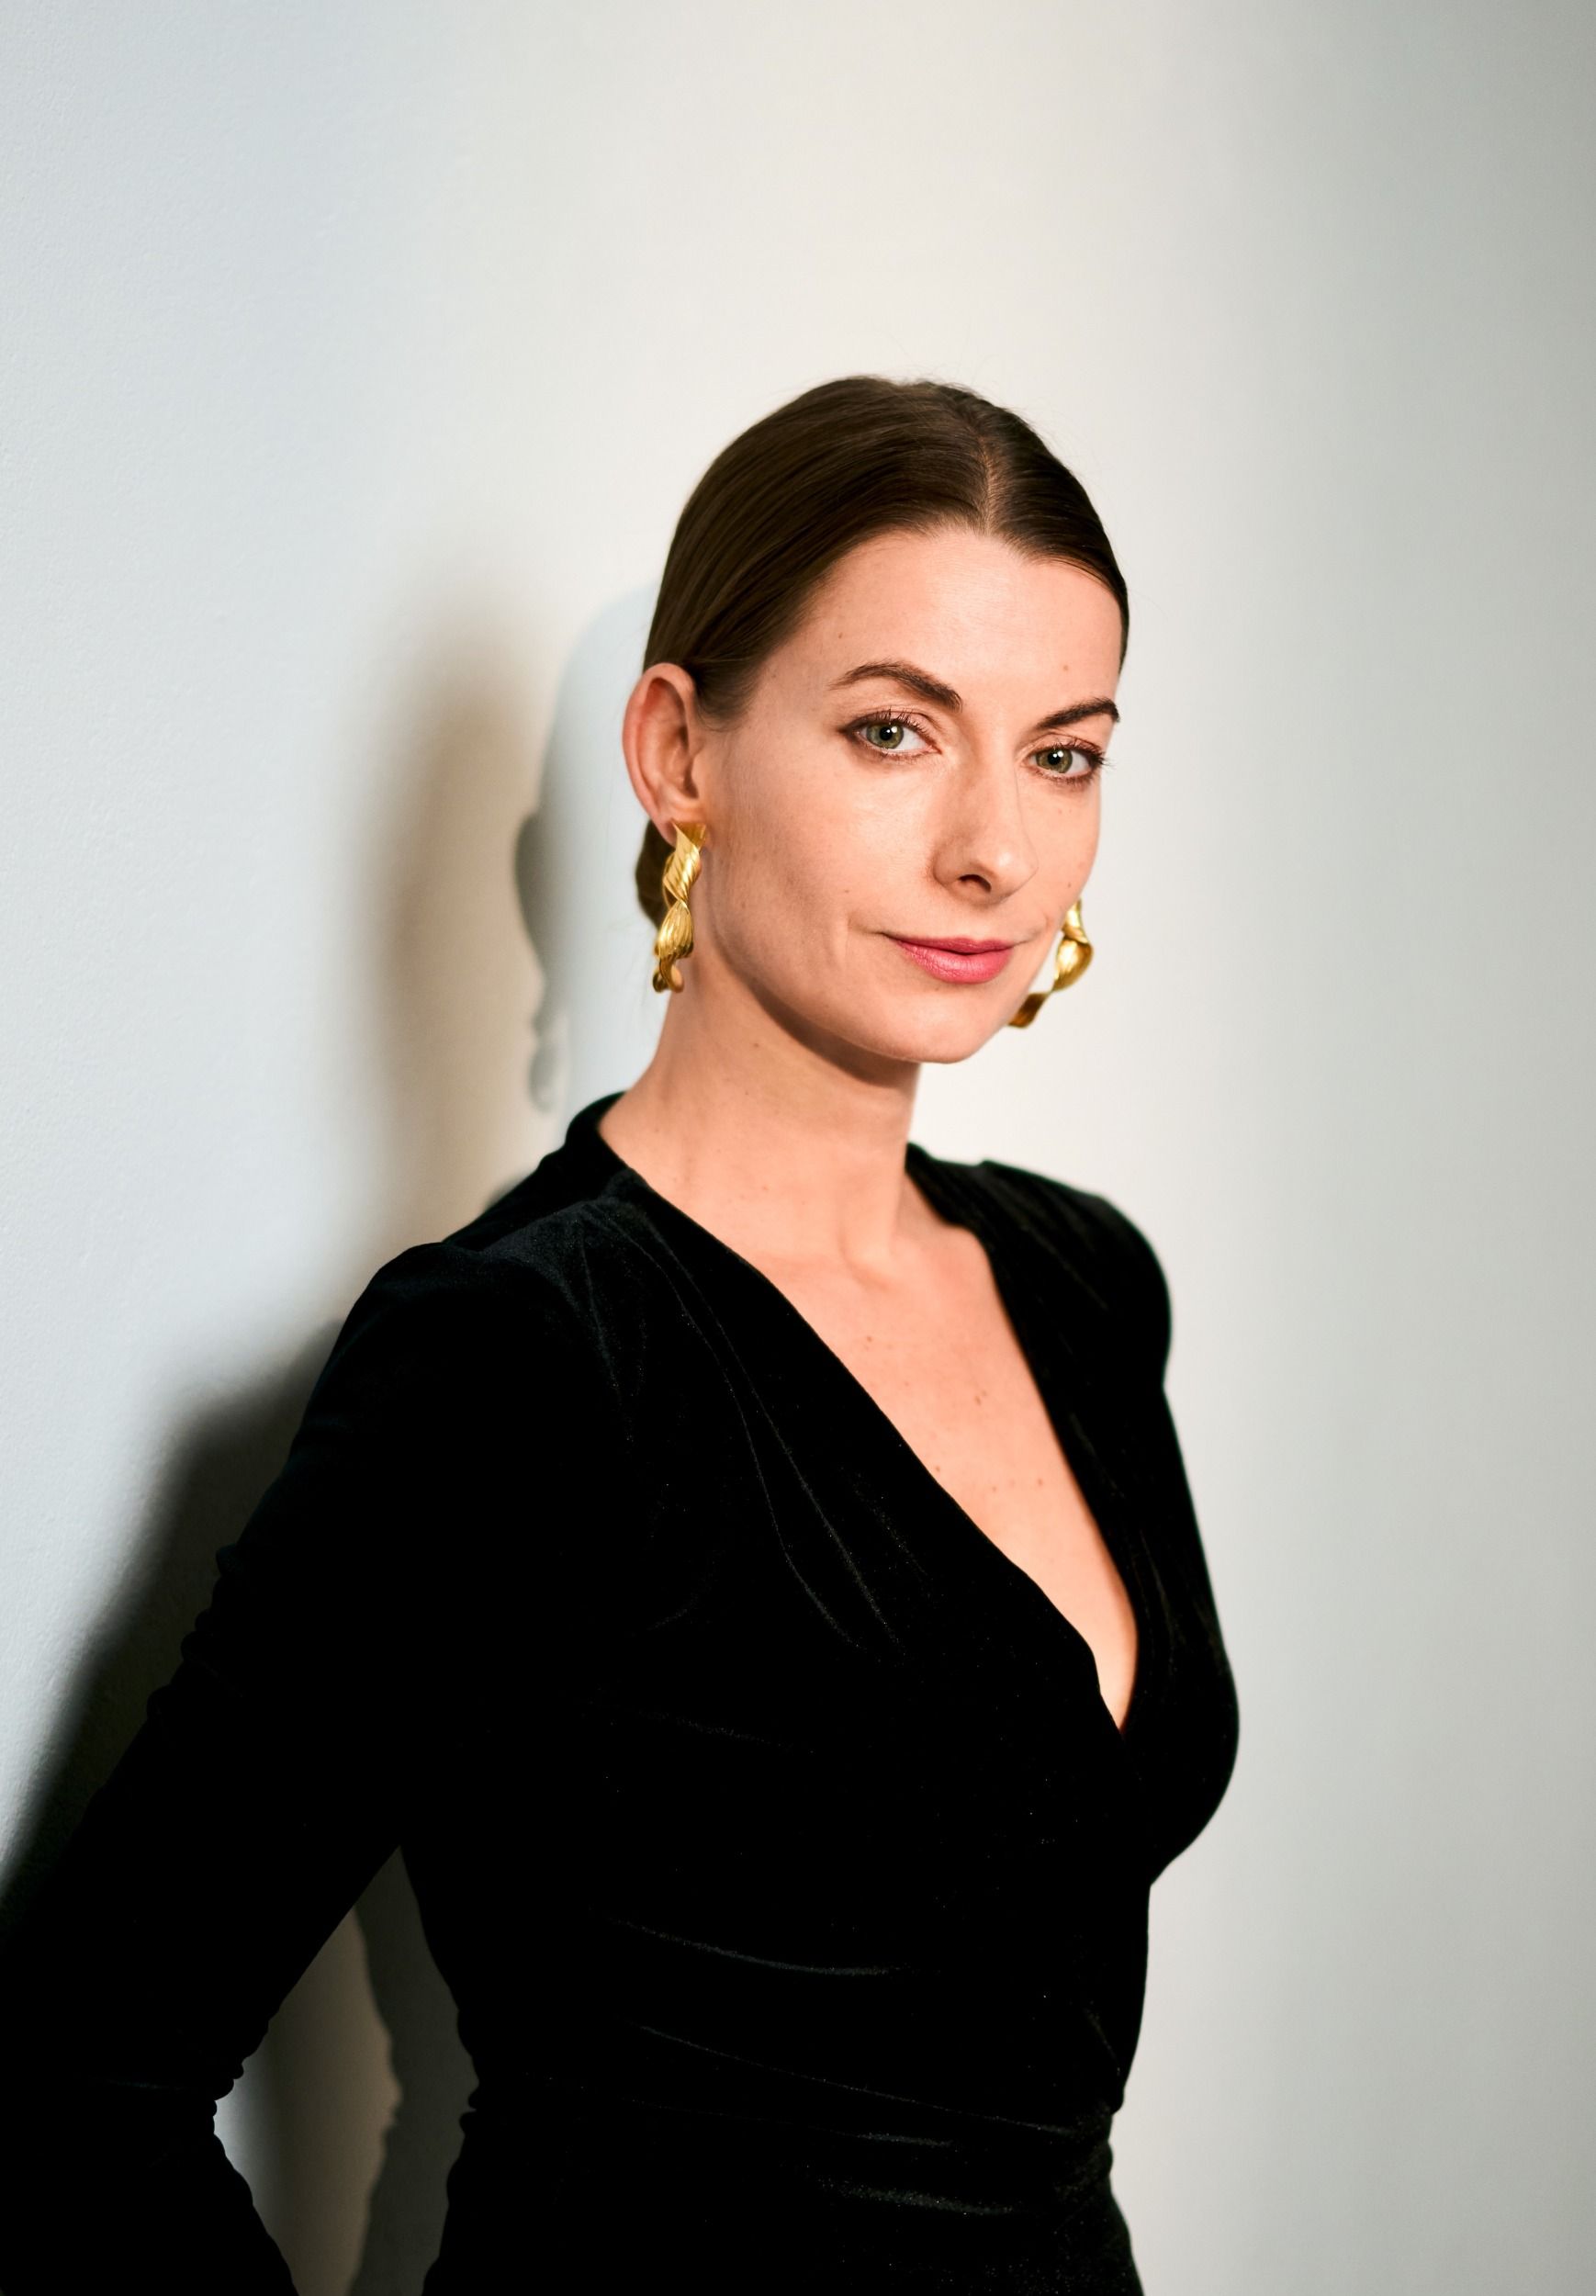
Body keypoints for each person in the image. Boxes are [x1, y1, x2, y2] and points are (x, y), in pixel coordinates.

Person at [0, 375, 1240, 2292]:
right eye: (893, 731)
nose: (994, 848)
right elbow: (71, 2077)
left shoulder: (1083, 1282)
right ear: (678, 749)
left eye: (1061, 753)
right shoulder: (521, 1354)